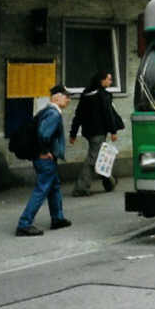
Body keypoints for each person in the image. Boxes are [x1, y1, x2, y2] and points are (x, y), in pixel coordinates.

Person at [15, 85, 73, 236]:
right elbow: (43, 134)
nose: (68, 99)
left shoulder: (46, 111)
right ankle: (24, 223)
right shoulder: (53, 114)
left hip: (44, 158)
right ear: (56, 97)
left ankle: (57, 218)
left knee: (54, 187)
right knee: (42, 189)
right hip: (45, 159)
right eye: (66, 96)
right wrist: (45, 152)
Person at [69, 71, 122, 196]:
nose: (111, 82)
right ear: (101, 81)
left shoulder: (86, 94)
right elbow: (108, 114)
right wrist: (113, 131)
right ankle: (81, 188)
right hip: (98, 132)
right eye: (108, 79)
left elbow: (78, 115)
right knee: (93, 159)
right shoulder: (103, 95)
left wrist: (73, 133)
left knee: (99, 157)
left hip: (88, 132)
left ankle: (110, 182)